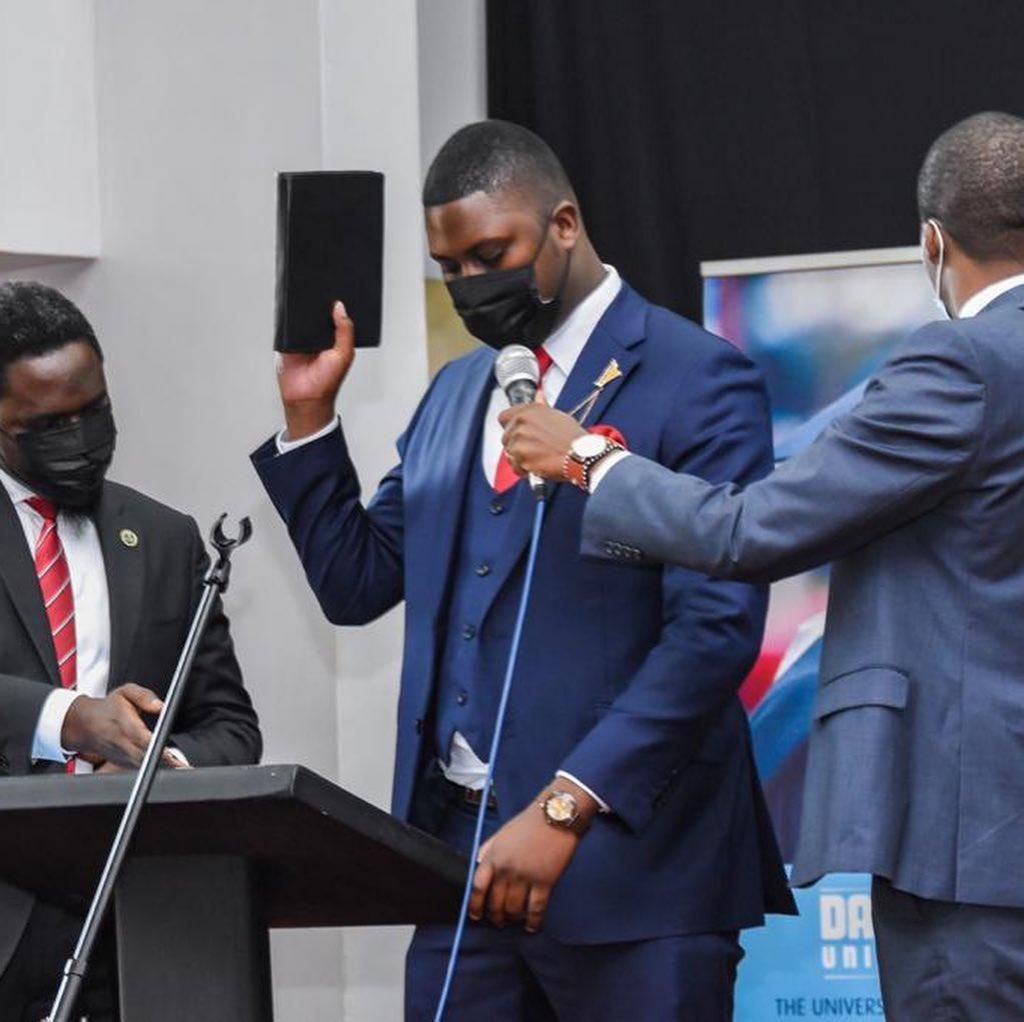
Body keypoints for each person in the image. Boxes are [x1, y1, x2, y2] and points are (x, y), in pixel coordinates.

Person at [253, 119, 793, 1021]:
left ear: (566, 225)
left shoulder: (700, 379)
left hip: (635, 879)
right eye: (450, 268)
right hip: (456, 873)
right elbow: (358, 583)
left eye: (490, 255)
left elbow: (714, 631)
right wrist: (310, 419)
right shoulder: (456, 390)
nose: (471, 285)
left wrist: (565, 808)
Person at [502, 110, 1024, 1019]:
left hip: (969, 849)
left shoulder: (966, 361)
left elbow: (750, 530)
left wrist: (589, 459)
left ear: (934, 242)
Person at [0, 281, 262, 1022]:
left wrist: (160, 765)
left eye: (95, 413)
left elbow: (230, 727)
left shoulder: (166, 539)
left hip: (144, 924)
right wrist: (68, 719)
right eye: (48, 426)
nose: (81, 442)